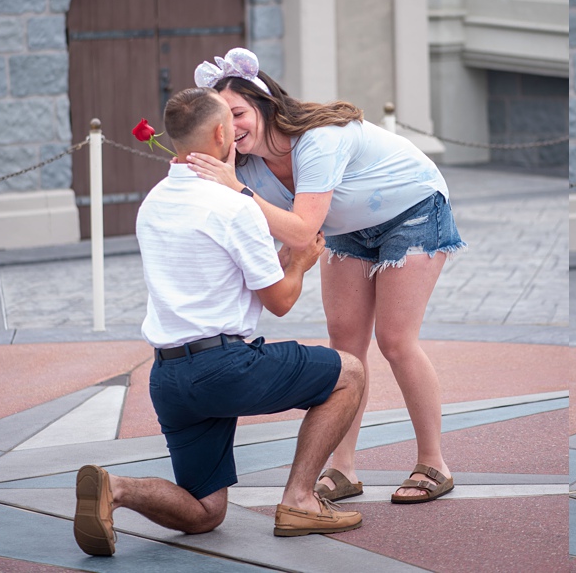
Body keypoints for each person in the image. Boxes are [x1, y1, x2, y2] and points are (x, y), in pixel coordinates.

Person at [73, 87, 365, 557]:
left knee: (205, 512)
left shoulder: (153, 203)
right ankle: (300, 500)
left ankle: (117, 489)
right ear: (221, 134)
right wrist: (300, 262)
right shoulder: (234, 207)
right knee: (349, 373)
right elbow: (281, 302)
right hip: (225, 367)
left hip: (168, 377)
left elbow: (213, 269)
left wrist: (276, 260)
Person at [187, 48, 465, 504]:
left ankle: (434, 462)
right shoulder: (246, 162)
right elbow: (267, 229)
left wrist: (234, 187)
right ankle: (343, 469)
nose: (232, 127)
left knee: (395, 340)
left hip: (411, 208)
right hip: (344, 226)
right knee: (346, 348)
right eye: (223, 119)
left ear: (264, 104)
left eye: (239, 112)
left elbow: (299, 229)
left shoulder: (317, 139)